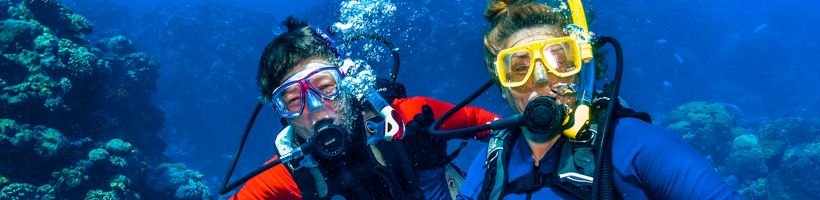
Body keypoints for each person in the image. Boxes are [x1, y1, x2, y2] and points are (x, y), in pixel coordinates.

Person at [455, 0, 741, 199]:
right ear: (503, 86)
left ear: (582, 70)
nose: (541, 78)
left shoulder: (632, 144)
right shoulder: (492, 159)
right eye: (519, 68)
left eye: (559, 60)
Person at [230, 16, 497, 199]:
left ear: (344, 81)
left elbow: (494, 127)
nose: (316, 107)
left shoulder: (405, 117)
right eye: (293, 100)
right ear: (281, 113)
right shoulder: (287, 173)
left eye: (325, 86)